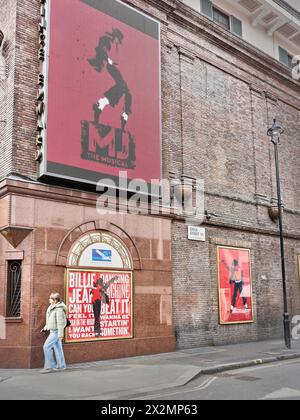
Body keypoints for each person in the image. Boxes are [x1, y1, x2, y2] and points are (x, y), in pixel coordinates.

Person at [40, 292, 67, 374]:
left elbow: (60, 323)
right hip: (53, 330)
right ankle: (62, 366)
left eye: (50, 298)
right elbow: (50, 321)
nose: (49, 299)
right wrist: (45, 328)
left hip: (56, 332)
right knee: (58, 349)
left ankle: (50, 366)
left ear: (55, 300)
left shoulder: (59, 309)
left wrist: (60, 335)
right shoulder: (52, 307)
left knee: (46, 347)